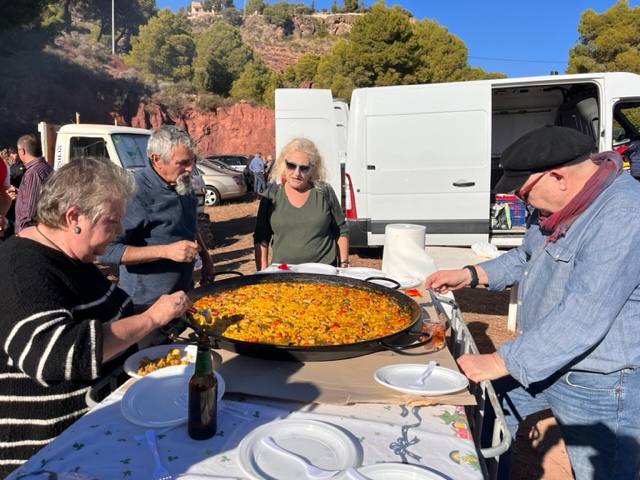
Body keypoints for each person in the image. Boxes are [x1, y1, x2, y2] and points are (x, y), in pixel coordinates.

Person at [425, 126, 640, 479]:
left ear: (558, 177)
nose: (523, 203)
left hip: (600, 382)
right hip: (545, 359)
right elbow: (527, 255)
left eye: (523, 194)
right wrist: (471, 274)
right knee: (490, 417)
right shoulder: (563, 205)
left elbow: (583, 315)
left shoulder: (625, 215)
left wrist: (498, 360)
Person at [0, 158, 192, 475]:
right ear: (74, 216)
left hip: (97, 436)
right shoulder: (20, 268)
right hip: (51, 457)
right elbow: (53, 354)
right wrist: (152, 318)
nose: (119, 230)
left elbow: (104, 322)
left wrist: (163, 314)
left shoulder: (75, 255)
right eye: (113, 221)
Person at [99, 126, 213, 338]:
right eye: (183, 163)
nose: (190, 168)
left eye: (192, 160)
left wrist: (206, 257)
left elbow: (190, 223)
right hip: (145, 307)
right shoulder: (133, 193)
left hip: (182, 298)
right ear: (156, 159)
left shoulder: (183, 182)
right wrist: (165, 251)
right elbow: (107, 250)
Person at [254, 137, 349, 270]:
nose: (297, 173)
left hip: (323, 275)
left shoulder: (324, 192)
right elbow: (261, 237)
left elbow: (341, 230)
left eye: (304, 168)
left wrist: (344, 265)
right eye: (291, 165)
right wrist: (262, 274)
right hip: (284, 274)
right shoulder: (271, 195)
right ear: (283, 164)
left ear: (312, 170)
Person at [13, 134, 53, 234]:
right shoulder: (46, 167)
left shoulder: (33, 173)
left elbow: (29, 213)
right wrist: (20, 194)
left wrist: (21, 234)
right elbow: (39, 196)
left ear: (22, 151)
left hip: (29, 235)